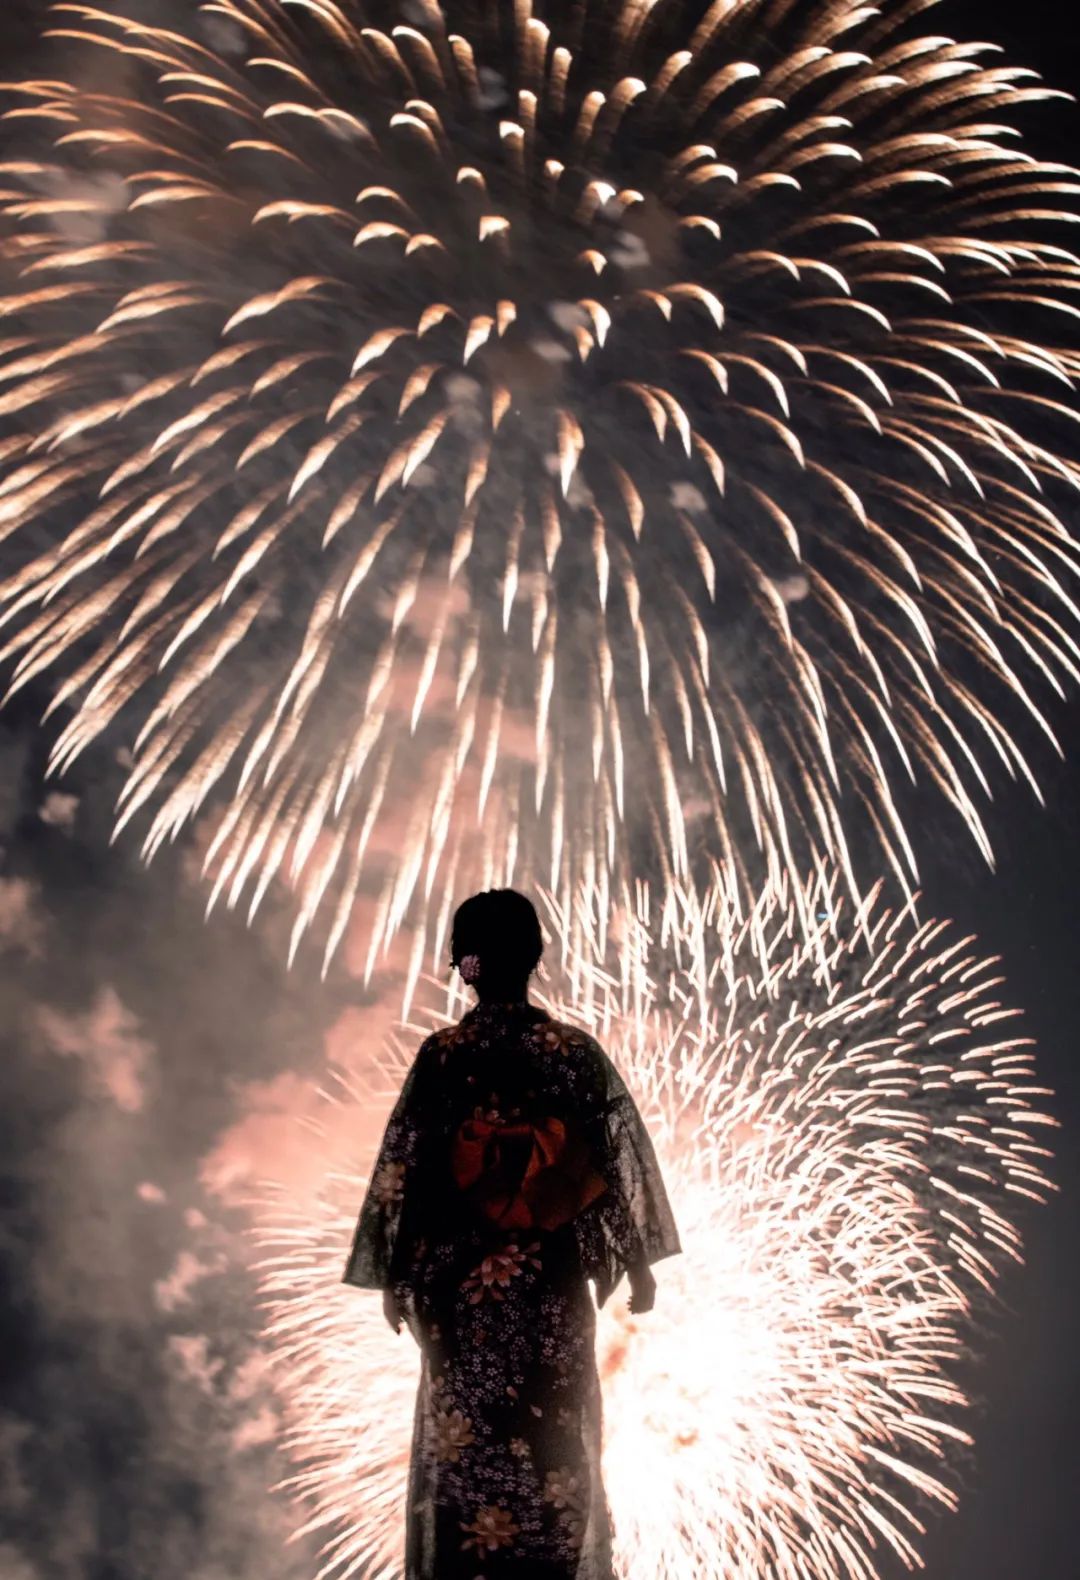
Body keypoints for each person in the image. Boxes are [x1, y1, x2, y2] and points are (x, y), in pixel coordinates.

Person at [342, 888, 681, 1578]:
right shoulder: (571, 1053)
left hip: (461, 1296)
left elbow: (406, 1168)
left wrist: (397, 1270)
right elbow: (616, 1163)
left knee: (463, 1456)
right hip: (546, 1292)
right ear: (535, 957)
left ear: (464, 965)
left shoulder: (443, 1056)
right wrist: (638, 1262)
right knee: (555, 1450)